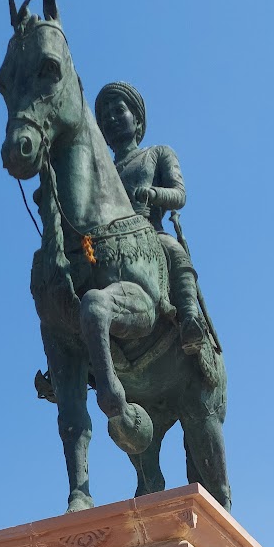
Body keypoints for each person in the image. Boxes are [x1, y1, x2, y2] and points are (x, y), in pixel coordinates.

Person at [95, 81, 206, 354]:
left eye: (118, 111)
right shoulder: (100, 170)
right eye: (105, 116)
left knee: (174, 250)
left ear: (137, 119)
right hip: (106, 242)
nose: (111, 119)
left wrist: (153, 194)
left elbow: (179, 194)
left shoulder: (157, 154)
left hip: (150, 233)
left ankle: (190, 318)